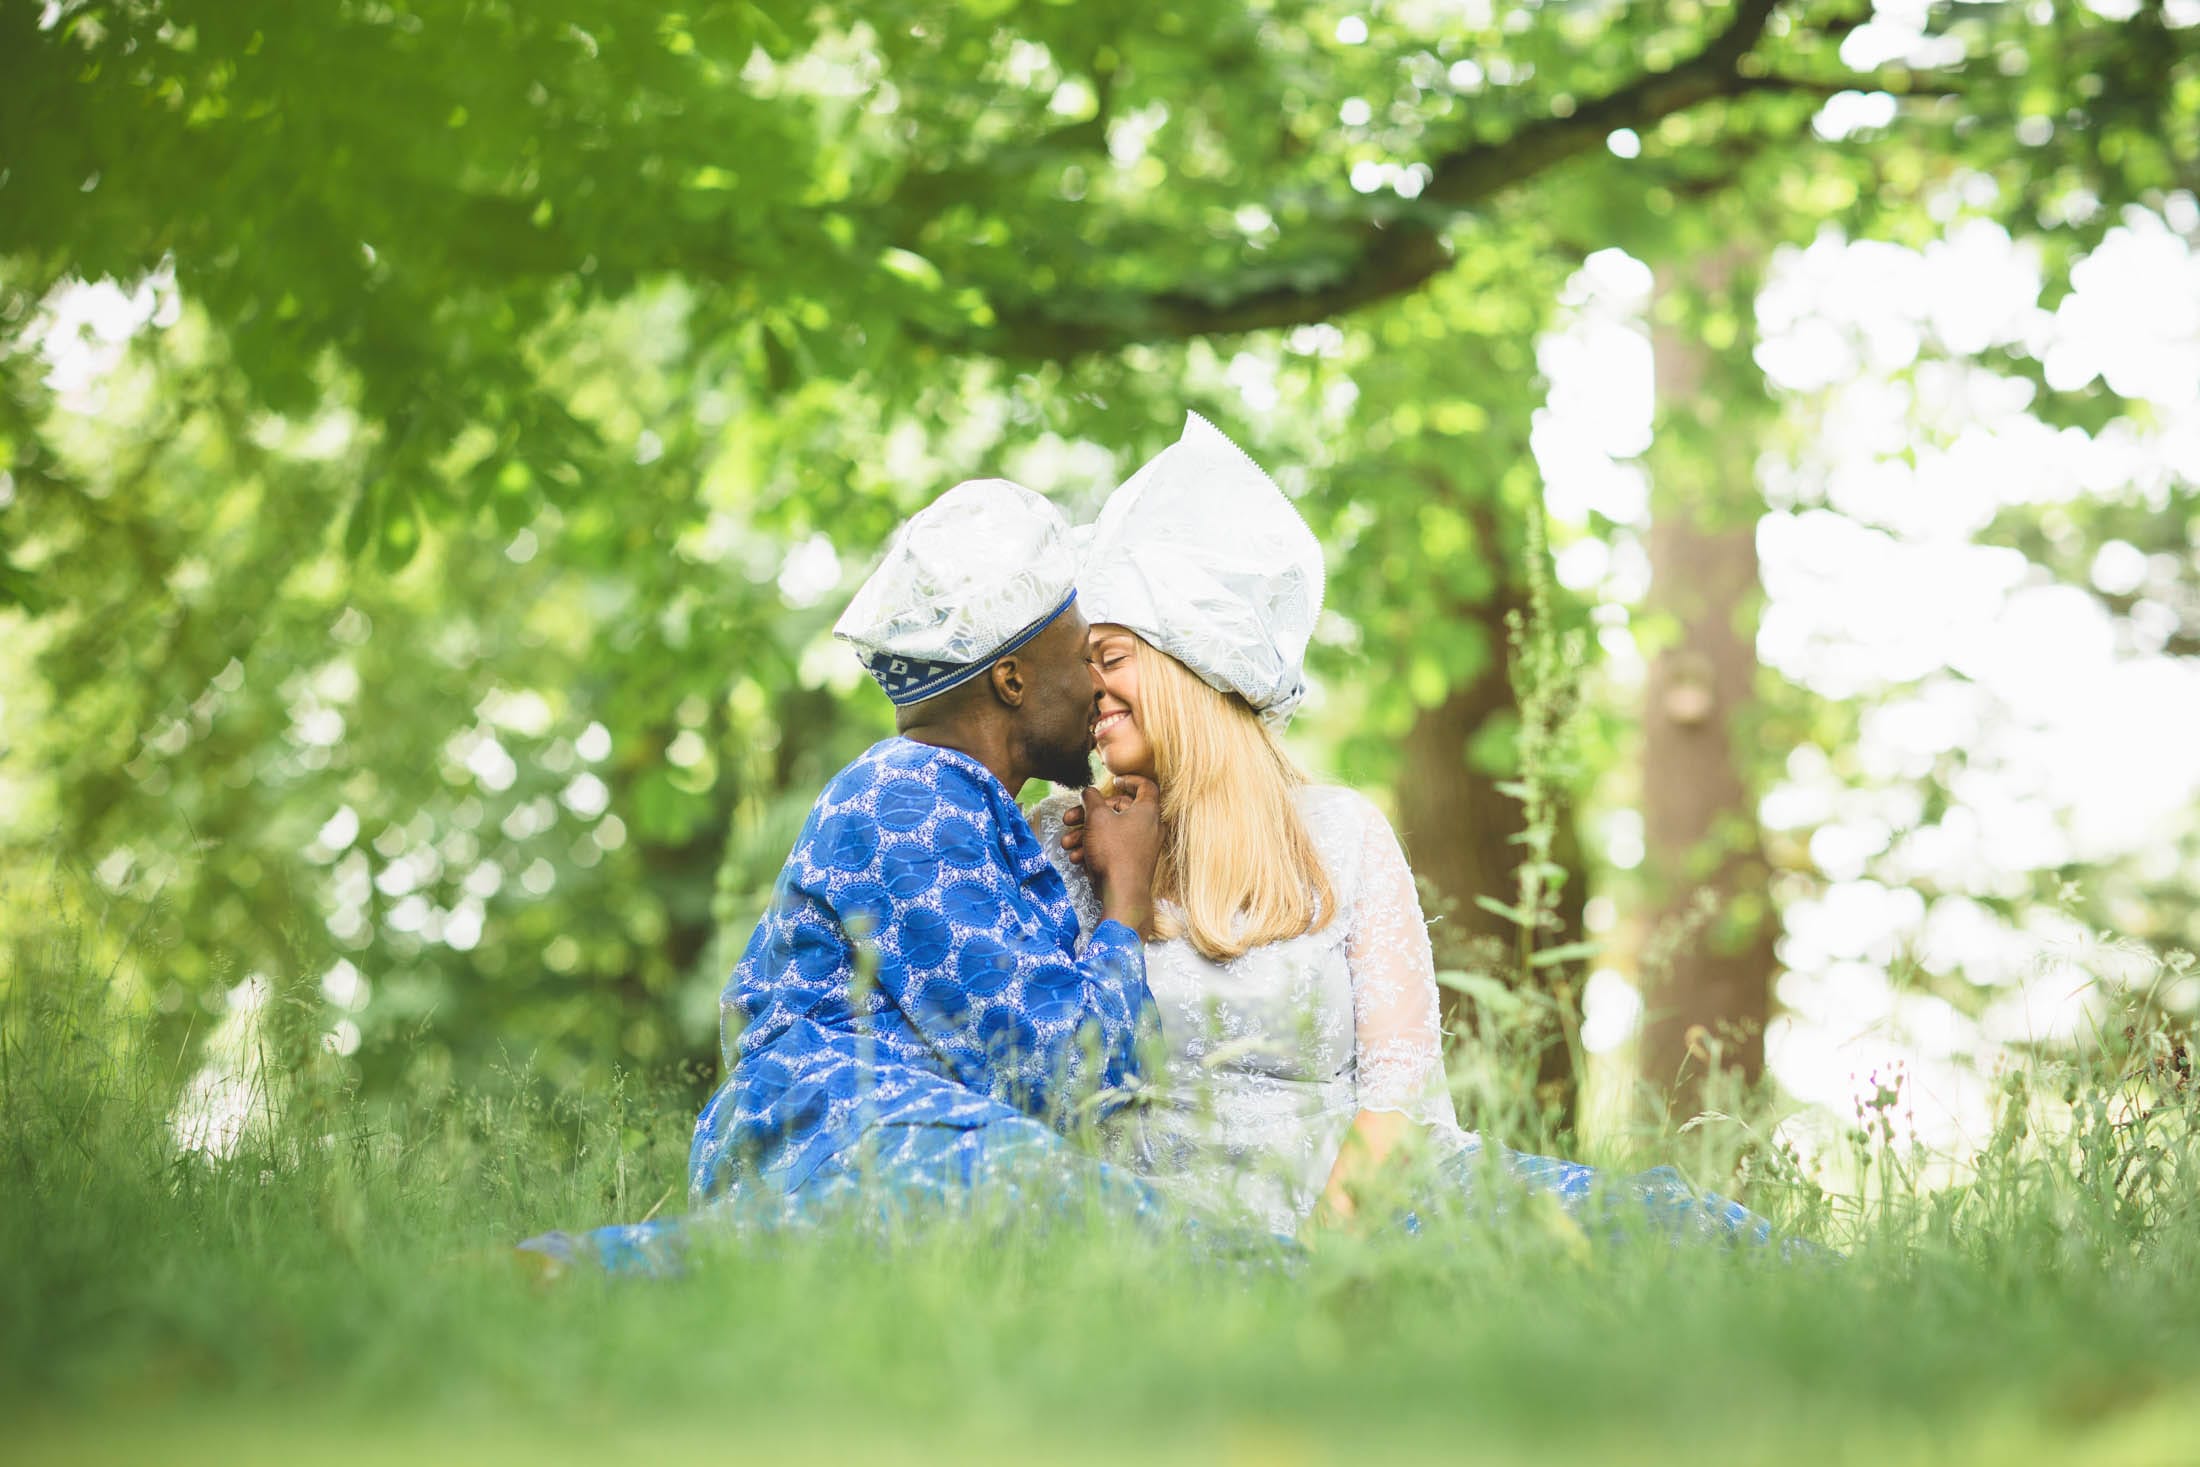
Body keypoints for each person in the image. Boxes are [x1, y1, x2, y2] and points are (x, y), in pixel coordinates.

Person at [1040, 412, 1802, 1249]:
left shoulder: (1342, 835)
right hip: (1170, 1233)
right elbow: (1046, 1075)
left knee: (1672, 1231)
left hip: (1377, 1209)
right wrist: (1123, 886)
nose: (1090, 690)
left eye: (1111, 658)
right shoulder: (1065, 842)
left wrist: (1326, 1252)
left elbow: (1397, 1087)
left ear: (1200, 669)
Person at [522, 478, 1171, 1274]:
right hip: (838, 1126)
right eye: (1082, 659)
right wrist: (1126, 902)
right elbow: (1068, 1069)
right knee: (1078, 1213)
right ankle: (558, 1273)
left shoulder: (961, 803)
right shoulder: (912, 796)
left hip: (894, 1136)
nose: (1099, 686)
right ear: (1011, 680)